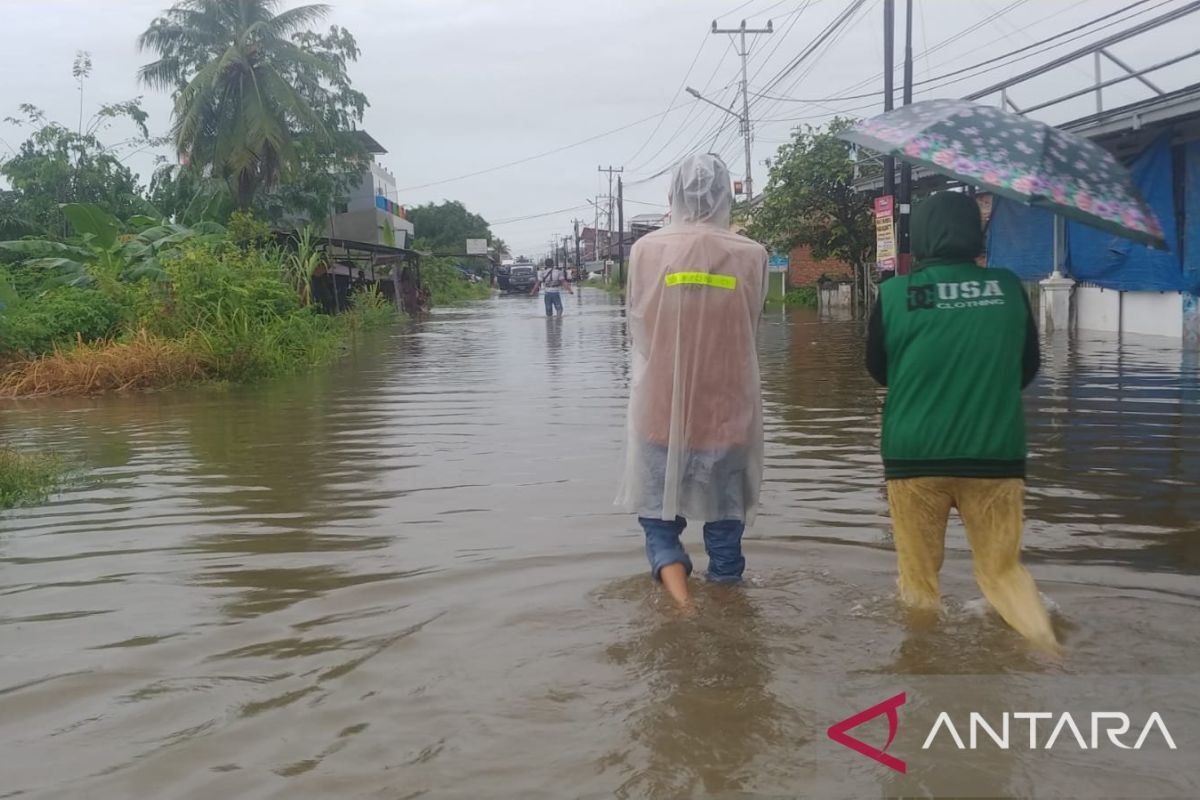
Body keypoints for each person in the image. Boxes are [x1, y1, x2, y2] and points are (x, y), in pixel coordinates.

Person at [865, 190, 1058, 652]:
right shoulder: (1009, 288)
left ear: (921, 237)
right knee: (1002, 573)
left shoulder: (893, 295)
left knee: (918, 581)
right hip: (995, 455)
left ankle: (922, 666)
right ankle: (1049, 653)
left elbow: (878, 369)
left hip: (914, 458)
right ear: (977, 233)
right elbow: (1027, 368)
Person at [616, 153, 768, 609]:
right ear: (726, 194)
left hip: (661, 410)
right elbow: (751, 327)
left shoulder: (646, 251)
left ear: (674, 195)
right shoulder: (752, 255)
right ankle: (727, 616)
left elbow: (639, 332)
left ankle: (682, 608)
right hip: (729, 414)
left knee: (660, 522)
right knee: (725, 529)